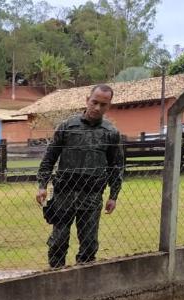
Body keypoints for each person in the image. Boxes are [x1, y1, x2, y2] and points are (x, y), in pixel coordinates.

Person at [36, 84, 124, 269]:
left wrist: (113, 195)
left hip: (91, 196)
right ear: (87, 100)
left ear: (109, 106)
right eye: (94, 102)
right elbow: (50, 157)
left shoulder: (111, 133)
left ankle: (84, 281)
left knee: (89, 244)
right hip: (64, 194)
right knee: (58, 241)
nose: (97, 108)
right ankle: (56, 276)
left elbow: (116, 166)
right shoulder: (67, 127)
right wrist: (42, 185)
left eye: (103, 104)